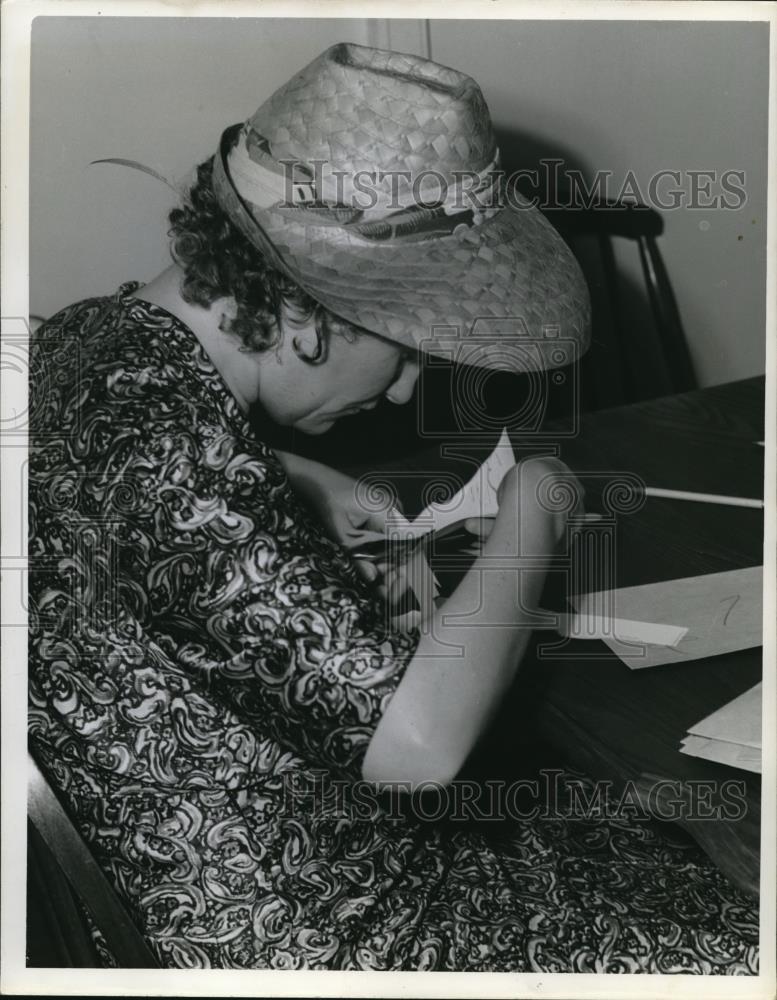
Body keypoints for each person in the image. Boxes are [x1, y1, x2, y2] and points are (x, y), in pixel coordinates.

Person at [28, 43, 757, 971]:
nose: (412, 390)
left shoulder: (96, 339)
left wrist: (290, 471)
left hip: (198, 862)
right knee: (730, 913)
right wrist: (537, 502)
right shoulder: (177, 460)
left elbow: (134, 459)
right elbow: (418, 748)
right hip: (315, 925)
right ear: (304, 303)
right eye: (404, 350)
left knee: (644, 829)